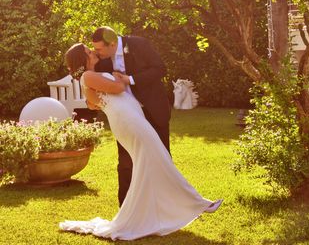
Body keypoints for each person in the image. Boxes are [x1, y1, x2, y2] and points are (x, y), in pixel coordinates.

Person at [59, 43, 222, 240]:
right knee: (159, 158)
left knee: (152, 162)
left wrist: (116, 78)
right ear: (82, 59)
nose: (93, 52)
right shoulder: (88, 76)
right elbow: (118, 88)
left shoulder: (92, 75)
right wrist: (121, 78)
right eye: (88, 51)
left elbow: (93, 104)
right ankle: (200, 203)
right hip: (128, 121)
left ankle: (151, 214)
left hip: (130, 118)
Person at [91, 26, 171, 206]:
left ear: (112, 44)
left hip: (153, 111)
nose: (96, 53)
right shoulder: (101, 61)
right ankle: (126, 209)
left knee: (162, 158)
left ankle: (165, 206)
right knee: (126, 162)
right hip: (126, 118)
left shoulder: (139, 44)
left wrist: (130, 79)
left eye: (99, 49)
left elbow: (160, 69)